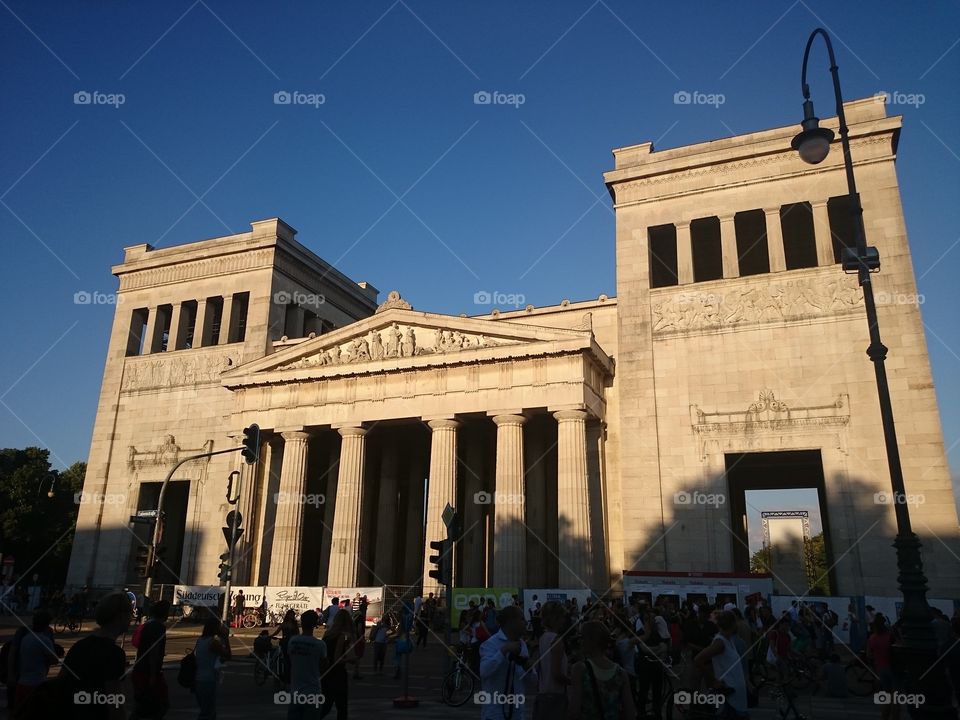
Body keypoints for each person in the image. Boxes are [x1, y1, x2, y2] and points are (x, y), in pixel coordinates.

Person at [60, 592, 131, 720]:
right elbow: (114, 699)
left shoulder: (79, 645)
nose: (131, 619)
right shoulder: (114, 653)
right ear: (120, 616)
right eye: (129, 614)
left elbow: (61, 681)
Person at [567, 620, 636, 720]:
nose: (579, 641)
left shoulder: (580, 669)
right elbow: (630, 712)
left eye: (581, 638)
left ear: (589, 641)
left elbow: (574, 712)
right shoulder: (621, 673)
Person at [479, 605, 538, 720]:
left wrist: (529, 668)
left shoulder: (522, 645)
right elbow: (484, 671)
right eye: (522, 619)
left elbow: (534, 682)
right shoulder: (491, 644)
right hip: (495, 714)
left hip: (518, 714)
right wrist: (504, 651)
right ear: (511, 622)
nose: (525, 623)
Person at [695, 610, 748, 719]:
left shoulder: (729, 640)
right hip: (729, 697)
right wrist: (714, 680)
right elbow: (698, 659)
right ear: (732, 624)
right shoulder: (720, 642)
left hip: (737, 694)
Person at [12, 609, 60, 712]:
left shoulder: (25, 638)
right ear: (47, 624)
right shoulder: (44, 640)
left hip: (22, 682)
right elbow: (54, 660)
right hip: (36, 684)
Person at [131, 599, 170, 719]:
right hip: (148, 671)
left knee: (144, 703)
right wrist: (153, 674)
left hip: (140, 668)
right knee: (160, 705)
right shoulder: (159, 627)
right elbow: (154, 651)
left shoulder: (147, 625)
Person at [286, 609, 327, 719]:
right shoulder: (320, 645)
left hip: (295, 692)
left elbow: (291, 661)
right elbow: (323, 667)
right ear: (315, 624)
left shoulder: (292, 641)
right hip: (312, 691)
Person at [534, 601, 569, 719]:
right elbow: (556, 674)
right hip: (556, 696)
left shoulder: (543, 638)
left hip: (543, 694)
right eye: (562, 617)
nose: (564, 620)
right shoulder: (557, 640)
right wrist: (572, 681)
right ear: (556, 618)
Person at [319, 609, 357, 718]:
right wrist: (351, 660)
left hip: (326, 673)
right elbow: (337, 659)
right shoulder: (341, 636)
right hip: (337, 673)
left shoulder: (327, 634)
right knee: (342, 707)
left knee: (326, 704)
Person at [194, 617, 231, 720]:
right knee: (209, 712)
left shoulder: (200, 640)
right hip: (208, 679)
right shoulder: (213, 643)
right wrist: (225, 637)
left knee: (205, 710)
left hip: (198, 679)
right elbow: (228, 655)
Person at [867, 614, 898, 720]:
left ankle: (884, 717)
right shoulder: (890, 636)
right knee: (895, 697)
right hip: (893, 667)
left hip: (880, 668)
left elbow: (869, 655)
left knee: (886, 696)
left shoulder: (872, 638)